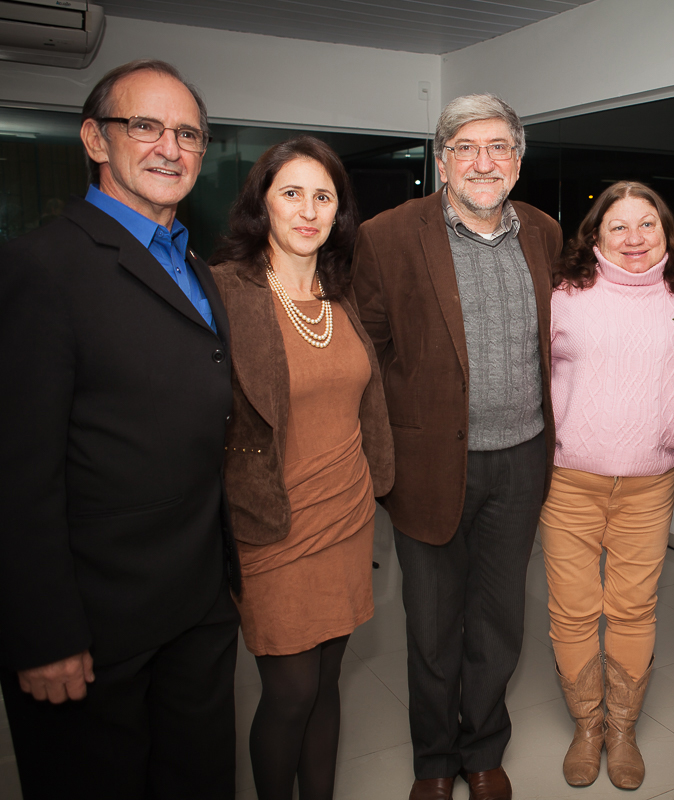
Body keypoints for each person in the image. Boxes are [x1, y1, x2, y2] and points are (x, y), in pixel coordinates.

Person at [0, 60, 240, 799]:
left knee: (198, 777)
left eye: (188, 134)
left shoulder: (193, 264)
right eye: (145, 125)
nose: (170, 147)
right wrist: (43, 635)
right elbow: (15, 473)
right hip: (96, 618)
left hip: (196, 600)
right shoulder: (40, 267)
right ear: (95, 140)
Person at [351, 94, 562, 800]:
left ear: (519, 158)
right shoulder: (387, 236)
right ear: (442, 159)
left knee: (500, 624)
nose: (483, 162)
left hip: (523, 459)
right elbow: (367, 356)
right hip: (428, 466)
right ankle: (435, 763)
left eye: (499, 147)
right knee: (434, 628)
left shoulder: (543, 232)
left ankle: (483, 750)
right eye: (466, 147)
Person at [208, 136, 394, 800]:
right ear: (263, 203)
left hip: (346, 515)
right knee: (289, 691)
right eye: (292, 193)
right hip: (270, 523)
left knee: (327, 682)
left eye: (324, 196)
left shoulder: (340, 293)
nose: (309, 210)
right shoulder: (224, 292)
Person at [539, 181, 674, 790]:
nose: (633, 239)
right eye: (618, 227)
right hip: (569, 481)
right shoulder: (563, 297)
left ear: (665, 231)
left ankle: (622, 727)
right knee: (573, 610)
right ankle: (586, 724)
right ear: (594, 234)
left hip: (650, 484)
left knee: (633, 608)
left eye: (646, 224)